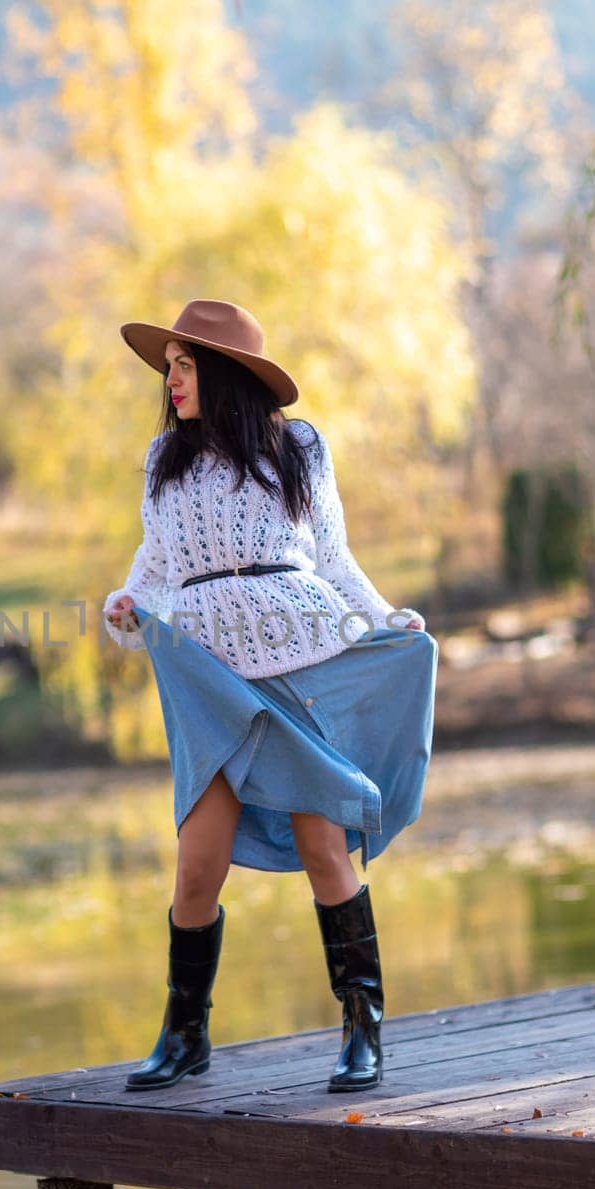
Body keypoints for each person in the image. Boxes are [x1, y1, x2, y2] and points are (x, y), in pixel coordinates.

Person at [102, 299, 437, 1096]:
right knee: (195, 868)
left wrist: (383, 617)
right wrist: (125, 603)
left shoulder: (299, 447)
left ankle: (362, 1029)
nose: (170, 380)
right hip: (206, 676)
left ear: (222, 372)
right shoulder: (162, 461)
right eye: (169, 366)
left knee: (324, 848)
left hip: (300, 651)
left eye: (185, 365)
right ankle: (184, 1036)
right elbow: (156, 561)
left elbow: (331, 553)